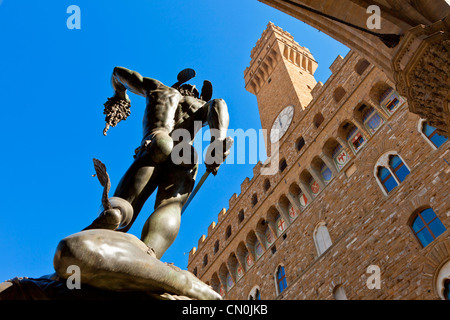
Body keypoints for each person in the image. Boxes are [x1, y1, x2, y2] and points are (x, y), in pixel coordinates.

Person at [84, 66, 231, 260]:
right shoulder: (200, 105)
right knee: (170, 206)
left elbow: (118, 73)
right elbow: (218, 104)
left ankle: (115, 216)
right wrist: (218, 139)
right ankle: (149, 254)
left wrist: (121, 96)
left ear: (177, 86)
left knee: (125, 203)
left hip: (158, 141)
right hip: (185, 152)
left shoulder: (158, 89)